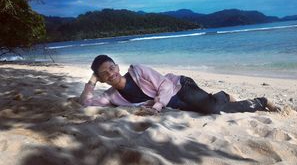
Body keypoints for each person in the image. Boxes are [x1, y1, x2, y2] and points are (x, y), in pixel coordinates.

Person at [80, 55, 280, 115]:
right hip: (175, 104)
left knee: (211, 106)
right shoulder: (112, 96)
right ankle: (261, 101)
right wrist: (91, 81)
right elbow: (86, 103)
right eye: (105, 74)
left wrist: (157, 107)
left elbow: (165, 85)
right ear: (102, 79)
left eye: (112, 68)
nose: (111, 74)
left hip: (179, 86)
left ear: (117, 66)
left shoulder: (139, 70)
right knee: (219, 110)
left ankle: (224, 94)